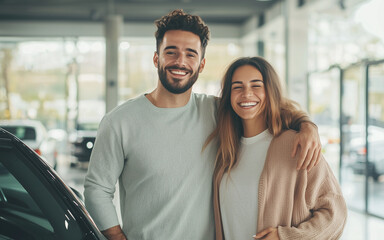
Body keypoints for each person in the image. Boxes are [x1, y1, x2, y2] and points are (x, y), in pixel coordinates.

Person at [84, 10, 322, 240]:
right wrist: (116, 236)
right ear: (156, 58)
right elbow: (97, 189)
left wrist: (307, 124)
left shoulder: (217, 111)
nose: (180, 61)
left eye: (190, 54)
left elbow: (264, 107)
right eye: (171, 52)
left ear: (202, 64)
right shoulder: (119, 122)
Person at [207, 57, 347, 240]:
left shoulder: (296, 145)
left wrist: (285, 237)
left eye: (256, 85)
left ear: (270, 91)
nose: (246, 94)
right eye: (237, 87)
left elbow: (335, 214)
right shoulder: (225, 150)